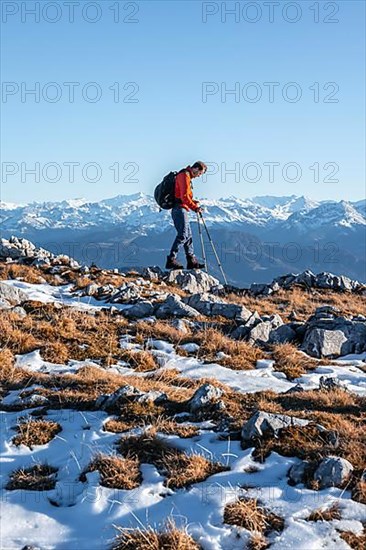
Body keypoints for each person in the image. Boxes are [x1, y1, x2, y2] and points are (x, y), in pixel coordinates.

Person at [166, 161, 207, 269]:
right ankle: (171, 259)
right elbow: (184, 197)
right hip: (179, 209)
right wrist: (195, 207)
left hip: (182, 208)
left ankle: (191, 261)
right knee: (183, 235)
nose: (199, 176)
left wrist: (193, 202)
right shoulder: (184, 176)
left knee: (188, 236)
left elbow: (183, 196)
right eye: (200, 173)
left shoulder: (186, 176)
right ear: (196, 169)